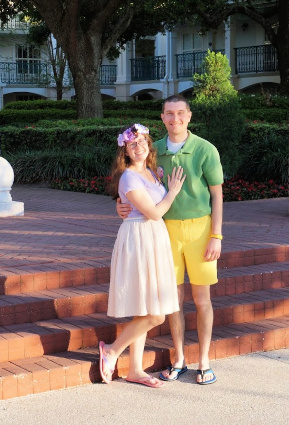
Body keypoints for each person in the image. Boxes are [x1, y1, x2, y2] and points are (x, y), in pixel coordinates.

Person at [117, 95, 224, 385]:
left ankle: (204, 361)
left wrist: (216, 235)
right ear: (162, 118)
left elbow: (217, 195)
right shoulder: (155, 151)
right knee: (173, 301)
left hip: (200, 231)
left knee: (202, 299)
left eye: (180, 113)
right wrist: (120, 203)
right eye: (169, 114)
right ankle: (179, 359)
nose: (174, 118)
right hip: (165, 233)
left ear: (189, 116)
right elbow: (138, 182)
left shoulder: (205, 149)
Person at [99, 123, 186, 388]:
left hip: (154, 238)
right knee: (155, 314)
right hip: (138, 239)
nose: (139, 148)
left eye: (143, 143)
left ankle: (135, 369)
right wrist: (172, 192)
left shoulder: (149, 172)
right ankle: (112, 350)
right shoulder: (128, 177)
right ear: (124, 149)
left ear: (149, 146)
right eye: (132, 144)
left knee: (145, 307)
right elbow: (155, 212)